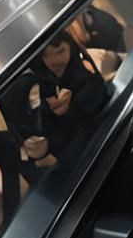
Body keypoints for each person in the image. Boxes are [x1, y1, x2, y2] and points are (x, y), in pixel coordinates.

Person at [29, 30, 108, 163]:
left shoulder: (88, 78)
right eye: (46, 55)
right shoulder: (42, 83)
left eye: (60, 51)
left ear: (70, 46)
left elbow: (94, 121)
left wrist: (69, 110)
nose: (55, 60)